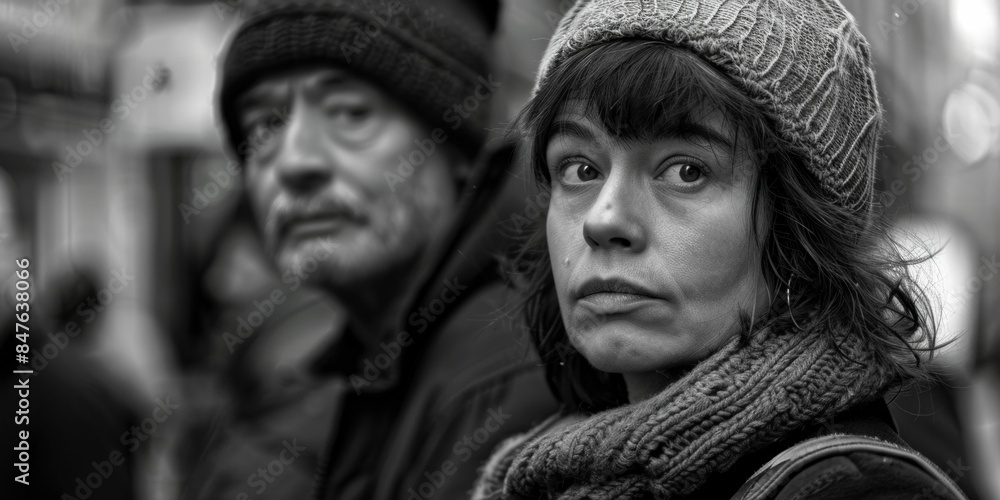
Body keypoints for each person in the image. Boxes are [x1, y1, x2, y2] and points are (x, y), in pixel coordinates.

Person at [472, 0, 969, 498]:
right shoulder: (546, 476)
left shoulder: (854, 491)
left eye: (686, 171)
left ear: (799, 232)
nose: (603, 220)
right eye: (580, 169)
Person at [187, 1, 559, 499]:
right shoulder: (374, 362)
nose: (295, 163)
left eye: (350, 113)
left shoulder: (503, 375)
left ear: (458, 150)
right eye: (265, 125)